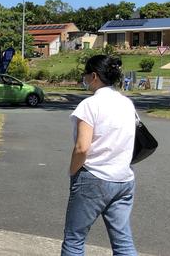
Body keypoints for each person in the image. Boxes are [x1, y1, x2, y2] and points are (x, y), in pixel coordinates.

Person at [61, 55, 137, 256]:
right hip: (124, 179)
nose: (84, 80)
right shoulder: (127, 103)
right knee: (123, 242)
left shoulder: (89, 105)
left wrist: (73, 171)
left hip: (94, 177)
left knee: (74, 240)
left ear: (94, 76)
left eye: (85, 75)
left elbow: (82, 148)